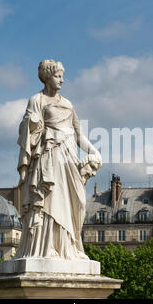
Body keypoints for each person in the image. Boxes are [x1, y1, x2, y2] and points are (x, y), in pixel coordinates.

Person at [15, 59, 102, 260]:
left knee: (75, 201)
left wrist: (94, 151)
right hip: (49, 155)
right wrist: (32, 124)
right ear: (47, 77)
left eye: (62, 76)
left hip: (69, 156)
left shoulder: (68, 104)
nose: (62, 80)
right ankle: (48, 248)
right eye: (58, 76)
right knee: (50, 199)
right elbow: (27, 131)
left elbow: (79, 135)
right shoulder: (37, 100)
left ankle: (70, 246)